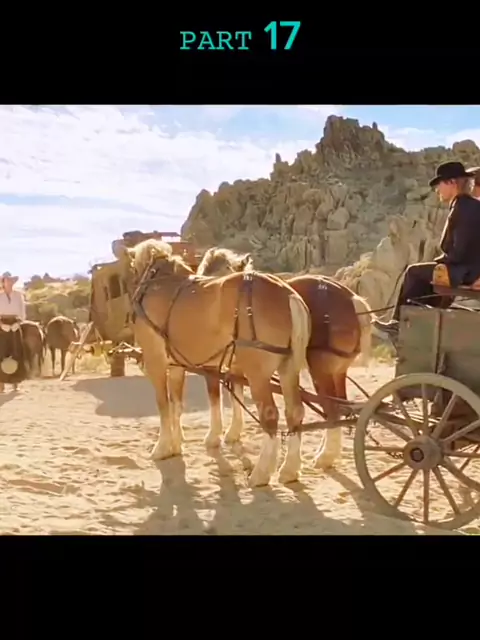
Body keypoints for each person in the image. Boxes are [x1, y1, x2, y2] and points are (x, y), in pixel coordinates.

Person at [373, 161, 480, 339]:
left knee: (413, 272)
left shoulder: (464, 208)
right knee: (426, 274)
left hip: (466, 270)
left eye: (440, 184)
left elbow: (460, 251)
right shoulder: (469, 206)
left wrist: (442, 262)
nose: (438, 190)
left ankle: (399, 323)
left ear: (452, 182)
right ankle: (419, 320)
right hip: (469, 268)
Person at [0, 272, 26, 392]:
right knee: (1, 354)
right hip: (2, 326)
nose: (9, 283)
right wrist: (1, 325)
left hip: (15, 325)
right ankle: (1, 385)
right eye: (7, 280)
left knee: (16, 353)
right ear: (3, 282)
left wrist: (18, 323)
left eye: (11, 280)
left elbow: (22, 312)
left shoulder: (18, 295)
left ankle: (15, 383)